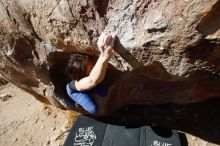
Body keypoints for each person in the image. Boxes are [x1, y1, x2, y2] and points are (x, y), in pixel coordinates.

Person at [65, 33, 116, 114]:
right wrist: (105, 56)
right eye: (91, 69)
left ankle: (89, 90)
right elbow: (93, 80)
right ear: (82, 74)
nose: (94, 68)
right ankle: (78, 104)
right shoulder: (79, 83)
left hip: (88, 82)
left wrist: (103, 51)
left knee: (103, 92)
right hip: (76, 91)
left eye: (93, 65)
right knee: (93, 109)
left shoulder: (88, 64)